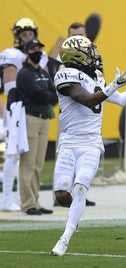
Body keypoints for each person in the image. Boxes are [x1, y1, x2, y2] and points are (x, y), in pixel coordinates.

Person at [50, 35, 126, 256]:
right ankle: (77, 210)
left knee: (80, 187)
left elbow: (122, 100)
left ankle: (64, 238)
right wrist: (113, 86)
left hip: (91, 143)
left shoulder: (95, 75)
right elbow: (87, 99)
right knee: (61, 194)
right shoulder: (64, 75)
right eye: (89, 53)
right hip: (69, 142)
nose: (94, 56)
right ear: (77, 57)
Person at [0, 17, 49, 212]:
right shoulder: (10, 55)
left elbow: (46, 82)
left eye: (30, 34)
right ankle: (6, 199)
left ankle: (25, 198)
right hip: (18, 107)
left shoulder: (41, 55)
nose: (27, 37)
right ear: (18, 37)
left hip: (34, 108)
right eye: (24, 34)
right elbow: (11, 86)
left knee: (29, 157)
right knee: (13, 154)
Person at [53, 21, 97, 207]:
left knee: (86, 161)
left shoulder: (90, 53)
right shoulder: (60, 53)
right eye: (74, 36)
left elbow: (95, 84)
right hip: (70, 113)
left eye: (82, 35)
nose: (80, 38)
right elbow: (54, 76)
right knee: (65, 158)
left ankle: (80, 195)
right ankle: (60, 194)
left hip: (87, 116)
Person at [16, 38, 58, 215]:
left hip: (43, 119)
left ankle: (36, 202)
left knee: (38, 164)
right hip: (30, 118)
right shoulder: (24, 73)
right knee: (28, 163)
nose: (38, 51)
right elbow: (39, 94)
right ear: (26, 52)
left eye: (40, 48)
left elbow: (54, 94)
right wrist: (47, 96)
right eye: (34, 49)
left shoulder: (42, 71)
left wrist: (47, 96)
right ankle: (28, 204)